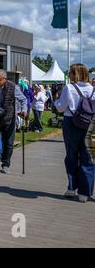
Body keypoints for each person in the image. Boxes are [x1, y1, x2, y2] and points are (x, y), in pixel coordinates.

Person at [54, 63, 95, 203]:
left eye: (70, 73)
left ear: (75, 74)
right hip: (90, 125)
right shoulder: (93, 89)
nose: (69, 75)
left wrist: (56, 100)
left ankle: (72, 187)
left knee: (71, 156)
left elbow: (60, 108)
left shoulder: (69, 88)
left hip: (71, 123)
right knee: (88, 158)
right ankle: (85, 192)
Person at [0, 69, 27, 174]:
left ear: (4, 79)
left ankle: (5, 163)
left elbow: (23, 99)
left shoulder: (13, 87)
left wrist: (23, 110)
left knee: (8, 143)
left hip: (8, 119)